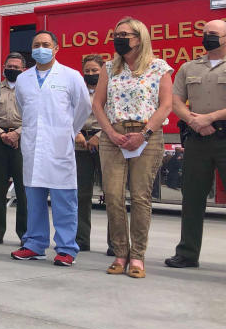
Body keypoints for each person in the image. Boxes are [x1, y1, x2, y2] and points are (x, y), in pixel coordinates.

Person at [92, 17, 172, 278]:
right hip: (113, 135)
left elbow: (166, 106)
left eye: (124, 34)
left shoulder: (158, 67)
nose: (118, 38)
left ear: (139, 38)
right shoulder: (108, 67)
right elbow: (97, 105)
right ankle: (120, 253)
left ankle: (137, 256)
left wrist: (145, 133)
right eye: (116, 34)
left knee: (140, 197)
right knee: (113, 196)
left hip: (146, 136)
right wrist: (111, 132)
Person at [11, 31, 91, 266]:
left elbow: (83, 107)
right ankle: (34, 244)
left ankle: (67, 248)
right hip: (33, 146)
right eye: (36, 44)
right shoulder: (24, 79)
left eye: (46, 44)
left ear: (56, 48)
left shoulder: (71, 76)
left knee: (64, 201)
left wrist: (68, 130)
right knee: (33, 200)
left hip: (59, 148)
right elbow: (22, 107)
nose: (41, 48)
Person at [165, 19, 226, 269]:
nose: (207, 37)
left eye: (213, 34)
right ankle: (188, 253)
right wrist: (193, 120)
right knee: (192, 198)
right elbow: (176, 100)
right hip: (197, 140)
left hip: (224, 137)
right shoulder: (189, 67)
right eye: (204, 33)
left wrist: (210, 117)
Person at [0, 52, 27, 245]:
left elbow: (35, 114)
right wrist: (1, 134)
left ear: (23, 70)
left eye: (16, 67)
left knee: (23, 190)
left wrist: (17, 133)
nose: (12, 70)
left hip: (22, 142)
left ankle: (26, 234)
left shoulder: (28, 89)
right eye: (9, 66)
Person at [75, 54, 105, 252]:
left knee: (112, 195)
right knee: (81, 195)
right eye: (87, 71)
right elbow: (66, 113)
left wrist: (100, 136)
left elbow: (116, 116)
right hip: (80, 144)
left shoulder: (111, 91)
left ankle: (115, 244)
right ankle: (81, 240)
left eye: (95, 70)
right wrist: (75, 132)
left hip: (106, 144)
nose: (91, 74)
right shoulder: (78, 92)